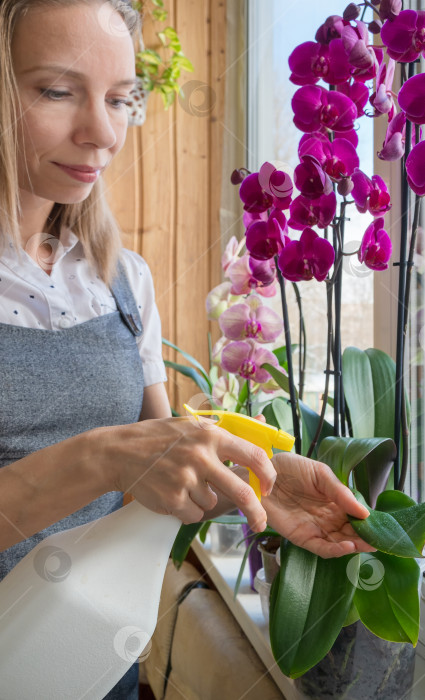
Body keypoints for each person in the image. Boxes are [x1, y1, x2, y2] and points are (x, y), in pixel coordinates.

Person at [0, 1, 374, 697]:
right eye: (56, 90)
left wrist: (256, 478)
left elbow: (157, 448)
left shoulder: (120, 281)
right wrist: (98, 457)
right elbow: (122, 454)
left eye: (119, 99)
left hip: (90, 666)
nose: (103, 132)